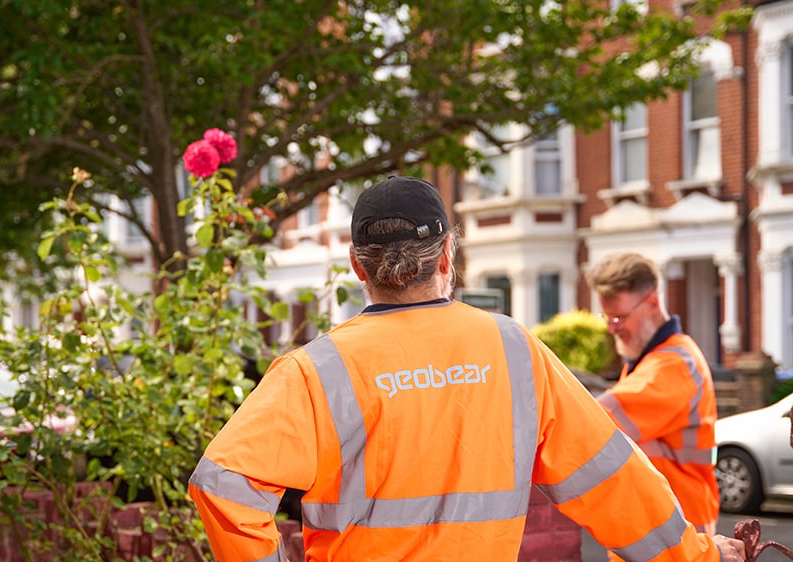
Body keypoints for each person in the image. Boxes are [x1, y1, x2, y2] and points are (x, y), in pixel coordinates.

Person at [188, 176, 746, 561]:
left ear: (358, 266)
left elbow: (223, 485)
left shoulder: (317, 370)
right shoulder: (513, 351)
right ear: (448, 258)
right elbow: (613, 478)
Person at [585, 253, 721, 538]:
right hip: (660, 535)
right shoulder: (647, 361)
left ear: (652, 303)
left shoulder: (675, 364)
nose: (612, 328)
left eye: (619, 317)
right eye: (607, 318)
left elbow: (594, 422)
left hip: (679, 538)